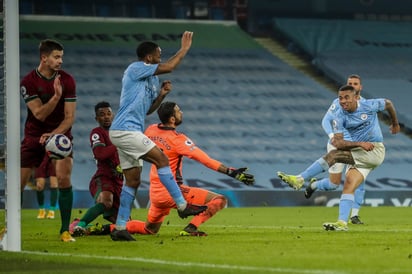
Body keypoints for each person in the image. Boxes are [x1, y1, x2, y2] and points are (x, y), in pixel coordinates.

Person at [84, 101, 254, 237]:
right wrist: (231, 172)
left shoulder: (151, 130)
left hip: (156, 194)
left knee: (149, 229)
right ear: (172, 119)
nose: (181, 113)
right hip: (173, 191)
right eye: (179, 111)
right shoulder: (178, 140)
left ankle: (104, 229)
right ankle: (191, 228)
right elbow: (206, 160)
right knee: (220, 200)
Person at [108, 31, 207, 241]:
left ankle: (119, 228)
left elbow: (148, 111)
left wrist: (162, 95)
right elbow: (170, 66)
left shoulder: (151, 80)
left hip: (127, 130)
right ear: (148, 58)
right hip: (125, 129)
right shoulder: (135, 69)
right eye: (158, 54)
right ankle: (182, 205)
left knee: (132, 181)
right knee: (161, 159)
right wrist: (184, 49)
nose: (161, 58)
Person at [278, 84, 400, 231]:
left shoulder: (369, 105)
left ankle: (300, 179)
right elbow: (339, 143)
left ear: (356, 97)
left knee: (334, 156)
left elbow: (388, 103)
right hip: (360, 151)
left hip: (375, 151)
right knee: (348, 184)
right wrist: (359, 143)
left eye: (346, 97)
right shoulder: (339, 116)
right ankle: (342, 223)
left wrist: (395, 123)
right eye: (340, 98)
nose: (343, 101)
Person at [20, 39, 77, 242]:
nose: (60, 61)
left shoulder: (68, 80)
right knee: (18, 183)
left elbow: (70, 117)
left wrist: (54, 134)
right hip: (34, 135)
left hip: (60, 135)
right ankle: (7, 228)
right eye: (56, 57)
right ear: (44, 58)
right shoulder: (28, 82)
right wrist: (55, 97)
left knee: (63, 179)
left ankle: (64, 230)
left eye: (61, 57)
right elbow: (39, 115)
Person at [304, 74, 366, 224]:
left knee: (359, 179)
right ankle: (314, 184)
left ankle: (354, 215)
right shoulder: (338, 102)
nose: (352, 86)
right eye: (349, 83)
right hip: (338, 145)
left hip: (355, 146)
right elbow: (326, 120)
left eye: (355, 84)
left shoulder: (366, 104)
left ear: (360, 87)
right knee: (334, 184)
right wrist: (333, 135)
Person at [69, 102, 123, 236]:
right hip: (103, 177)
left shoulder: (119, 133)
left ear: (113, 115)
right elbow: (100, 154)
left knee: (122, 225)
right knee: (106, 201)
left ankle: (84, 225)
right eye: (102, 115)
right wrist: (118, 144)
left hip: (119, 181)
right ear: (96, 118)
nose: (106, 117)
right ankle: (79, 226)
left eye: (109, 114)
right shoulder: (97, 133)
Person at [35, 154, 58, 219]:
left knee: (54, 184)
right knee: (39, 186)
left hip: (53, 156)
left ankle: (52, 210)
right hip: (41, 158)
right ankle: (41, 210)